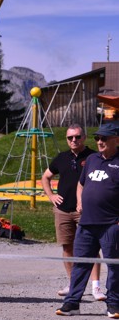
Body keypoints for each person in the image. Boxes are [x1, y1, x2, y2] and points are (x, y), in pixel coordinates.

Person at [56, 122, 119, 318]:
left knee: (114, 265)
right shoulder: (91, 159)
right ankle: (72, 303)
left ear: (116, 140)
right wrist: (80, 201)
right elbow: (81, 183)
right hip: (87, 223)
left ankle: (114, 304)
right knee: (80, 263)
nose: (100, 141)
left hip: (111, 223)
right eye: (97, 138)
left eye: (104, 138)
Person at [41, 124, 104, 300]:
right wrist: (51, 195)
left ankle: (96, 286)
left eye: (77, 137)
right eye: (70, 138)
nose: (74, 140)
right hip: (63, 210)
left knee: (91, 247)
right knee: (67, 246)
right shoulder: (61, 158)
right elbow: (45, 177)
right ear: (67, 140)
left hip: (86, 211)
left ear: (84, 137)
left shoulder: (94, 157)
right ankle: (72, 283)